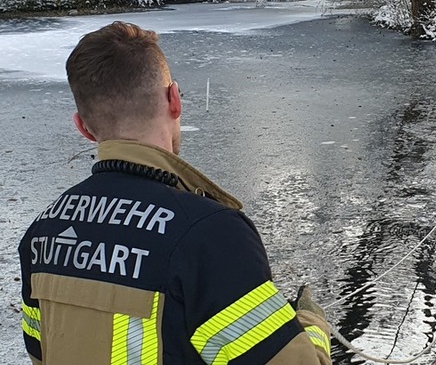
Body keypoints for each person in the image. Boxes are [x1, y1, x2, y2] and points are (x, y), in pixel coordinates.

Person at [18, 21, 331, 365]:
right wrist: (312, 325)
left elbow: (41, 354)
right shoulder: (210, 237)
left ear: (84, 127)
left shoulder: (41, 235)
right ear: (175, 100)